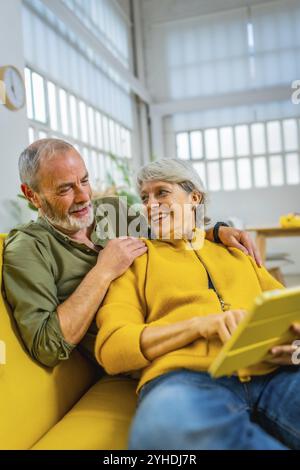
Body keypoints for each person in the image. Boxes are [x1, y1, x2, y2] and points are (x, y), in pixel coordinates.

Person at [95, 158, 300, 450]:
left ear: (194, 198)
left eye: (162, 192)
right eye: (144, 197)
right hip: (185, 380)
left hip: (274, 372)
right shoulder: (136, 261)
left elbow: (290, 311)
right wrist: (197, 325)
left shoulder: (237, 252)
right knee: (165, 429)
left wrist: (296, 352)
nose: (150, 205)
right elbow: (112, 348)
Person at [2, 139, 258, 368]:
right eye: (65, 189)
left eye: (84, 181)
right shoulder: (27, 248)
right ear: (32, 195)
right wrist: (102, 272)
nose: (83, 197)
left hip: (182, 327)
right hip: (142, 353)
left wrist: (215, 231)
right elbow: (46, 346)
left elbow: (172, 231)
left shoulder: (113, 210)